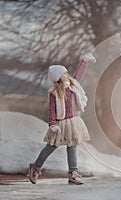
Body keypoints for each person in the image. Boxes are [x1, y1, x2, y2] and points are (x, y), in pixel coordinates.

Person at [28, 53, 96, 185]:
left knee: (72, 147)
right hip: (60, 124)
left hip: (73, 122)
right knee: (51, 147)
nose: (67, 75)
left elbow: (79, 74)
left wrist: (84, 61)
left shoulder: (73, 86)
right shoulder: (54, 92)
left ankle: (73, 173)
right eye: (64, 74)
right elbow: (52, 110)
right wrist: (52, 124)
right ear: (59, 77)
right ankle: (35, 167)